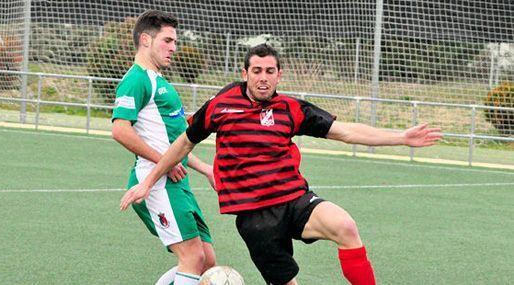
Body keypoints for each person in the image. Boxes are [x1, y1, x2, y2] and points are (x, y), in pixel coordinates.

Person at [120, 44, 442, 285]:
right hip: (255, 219)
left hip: (294, 200)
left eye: (270, 71)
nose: (263, 78)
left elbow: (346, 132)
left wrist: (401, 137)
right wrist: (148, 183)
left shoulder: (291, 108)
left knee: (345, 225)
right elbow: (183, 143)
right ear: (245, 74)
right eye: (256, 71)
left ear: (278, 75)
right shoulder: (220, 107)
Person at [111, 10, 216, 285]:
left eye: (175, 42)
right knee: (193, 258)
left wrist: (205, 168)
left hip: (175, 180)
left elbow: (177, 143)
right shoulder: (136, 79)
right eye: (167, 40)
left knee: (207, 261)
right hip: (156, 180)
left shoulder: (161, 82)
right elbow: (120, 130)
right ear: (146, 39)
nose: (173, 48)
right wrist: (164, 163)